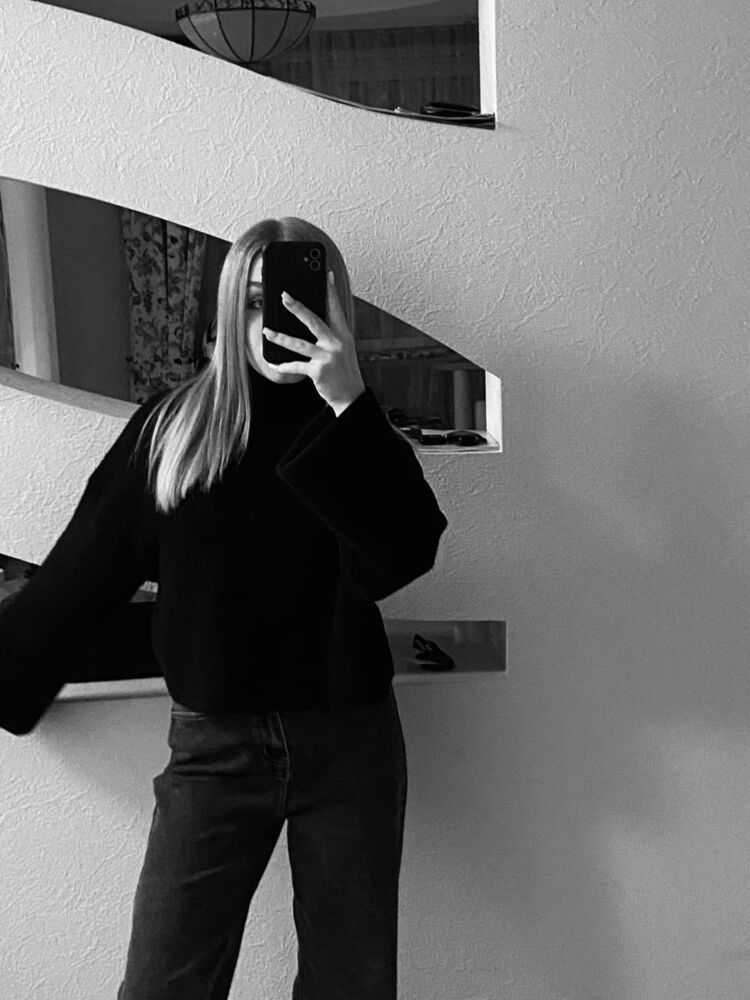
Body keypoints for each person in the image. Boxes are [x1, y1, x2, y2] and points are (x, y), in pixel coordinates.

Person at [0, 217, 449, 998]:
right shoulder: (176, 429)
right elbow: (83, 575)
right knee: (163, 985)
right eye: (254, 301)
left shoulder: (354, 428)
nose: (275, 320)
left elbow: (403, 556)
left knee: (352, 985)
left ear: (337, 311)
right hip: (215, 750)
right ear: (226, 311)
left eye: (302, 300)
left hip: (351, 742)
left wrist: (349, 403)